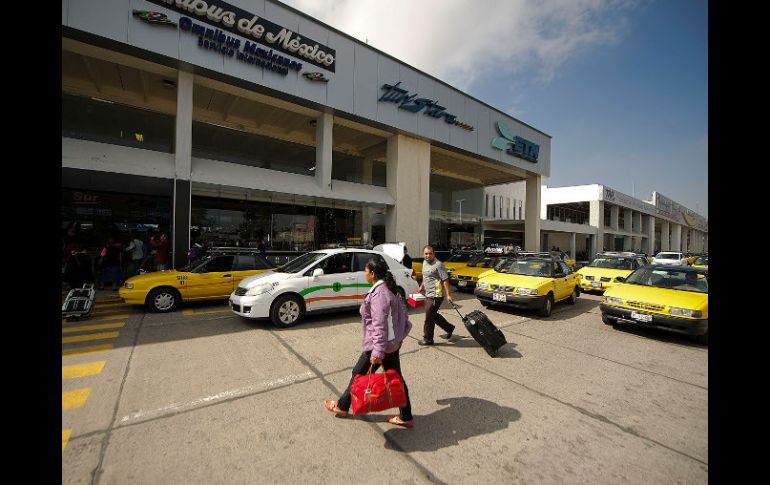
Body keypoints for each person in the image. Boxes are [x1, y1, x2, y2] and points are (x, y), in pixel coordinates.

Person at [324, 258, 415, 427]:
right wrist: (397, 338)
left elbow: (380, 325)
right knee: (396, 379)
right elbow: (401, 314)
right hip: (391, 345)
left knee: (358, 374)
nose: (364, 274)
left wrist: (378, 351)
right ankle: (406, 416)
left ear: (372, 274)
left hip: (379, 346)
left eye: (365, 271)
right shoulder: (388, 288)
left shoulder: (379, 294)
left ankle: (342, 406)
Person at [417, 245, 454, 346]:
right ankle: (449, 328)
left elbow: (445, 280)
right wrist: (422, 286)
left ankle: (428, 339)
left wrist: (448, 295)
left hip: (436, 295)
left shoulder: (438, 265)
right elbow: (426, 276)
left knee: (429, 316)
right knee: (432, 314)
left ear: (434, 254)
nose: (428, 255)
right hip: (428, 293)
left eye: (430, 253)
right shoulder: (424, 262)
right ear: (423, 254)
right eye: (426, 254)